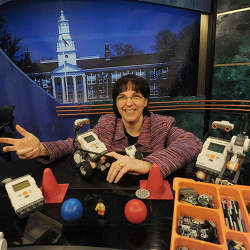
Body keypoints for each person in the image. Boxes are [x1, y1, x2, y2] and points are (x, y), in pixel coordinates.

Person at [0, 74, 203, 183]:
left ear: (145, 101)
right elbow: (72, 145)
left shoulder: (162, 125)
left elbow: (192, 144)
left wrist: (149, 165)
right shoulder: (107, 124)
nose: (129, 103)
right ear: (116, 103)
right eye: (122, 97)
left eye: (136, 97)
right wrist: (42, 148)